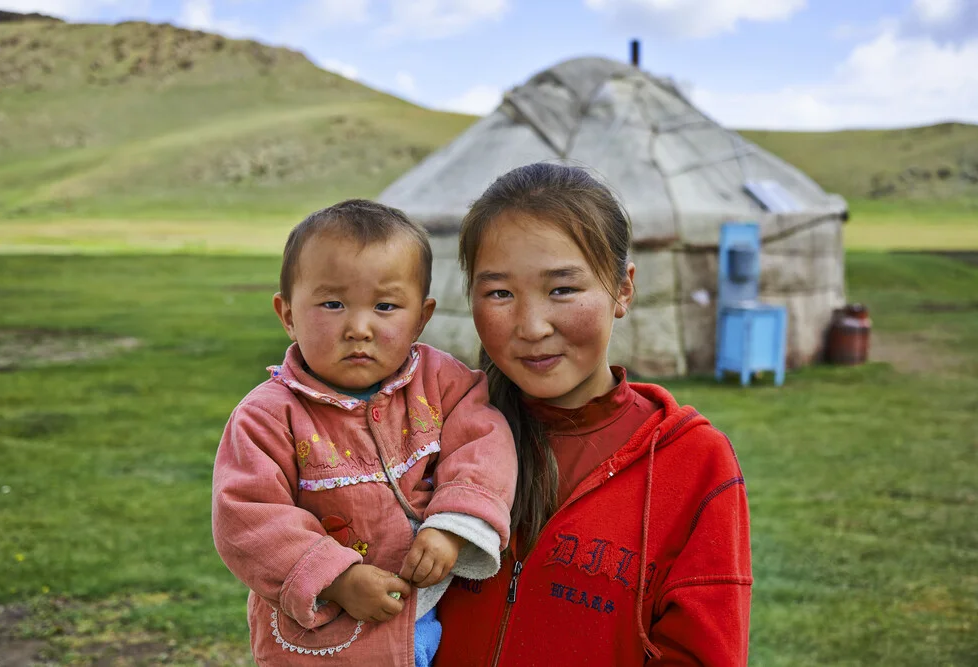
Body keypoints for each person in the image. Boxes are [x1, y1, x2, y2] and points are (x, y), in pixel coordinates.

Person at [435, 163, 752, 666]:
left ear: (623, 289)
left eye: (562, 289)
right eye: (499, 293)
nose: (532, 326)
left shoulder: (694, 463)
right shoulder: (432, 432)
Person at [212, 199, 517, 667]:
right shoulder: (268, 417)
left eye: (386, 306)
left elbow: (484, 443)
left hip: (433, 619)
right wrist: (335, 578)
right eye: (332, 304)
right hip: (324, 645)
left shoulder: (444, 385)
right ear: (288, 312)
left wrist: (453, 526)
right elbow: (247, 517)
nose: (359, 328)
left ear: (421, 316)